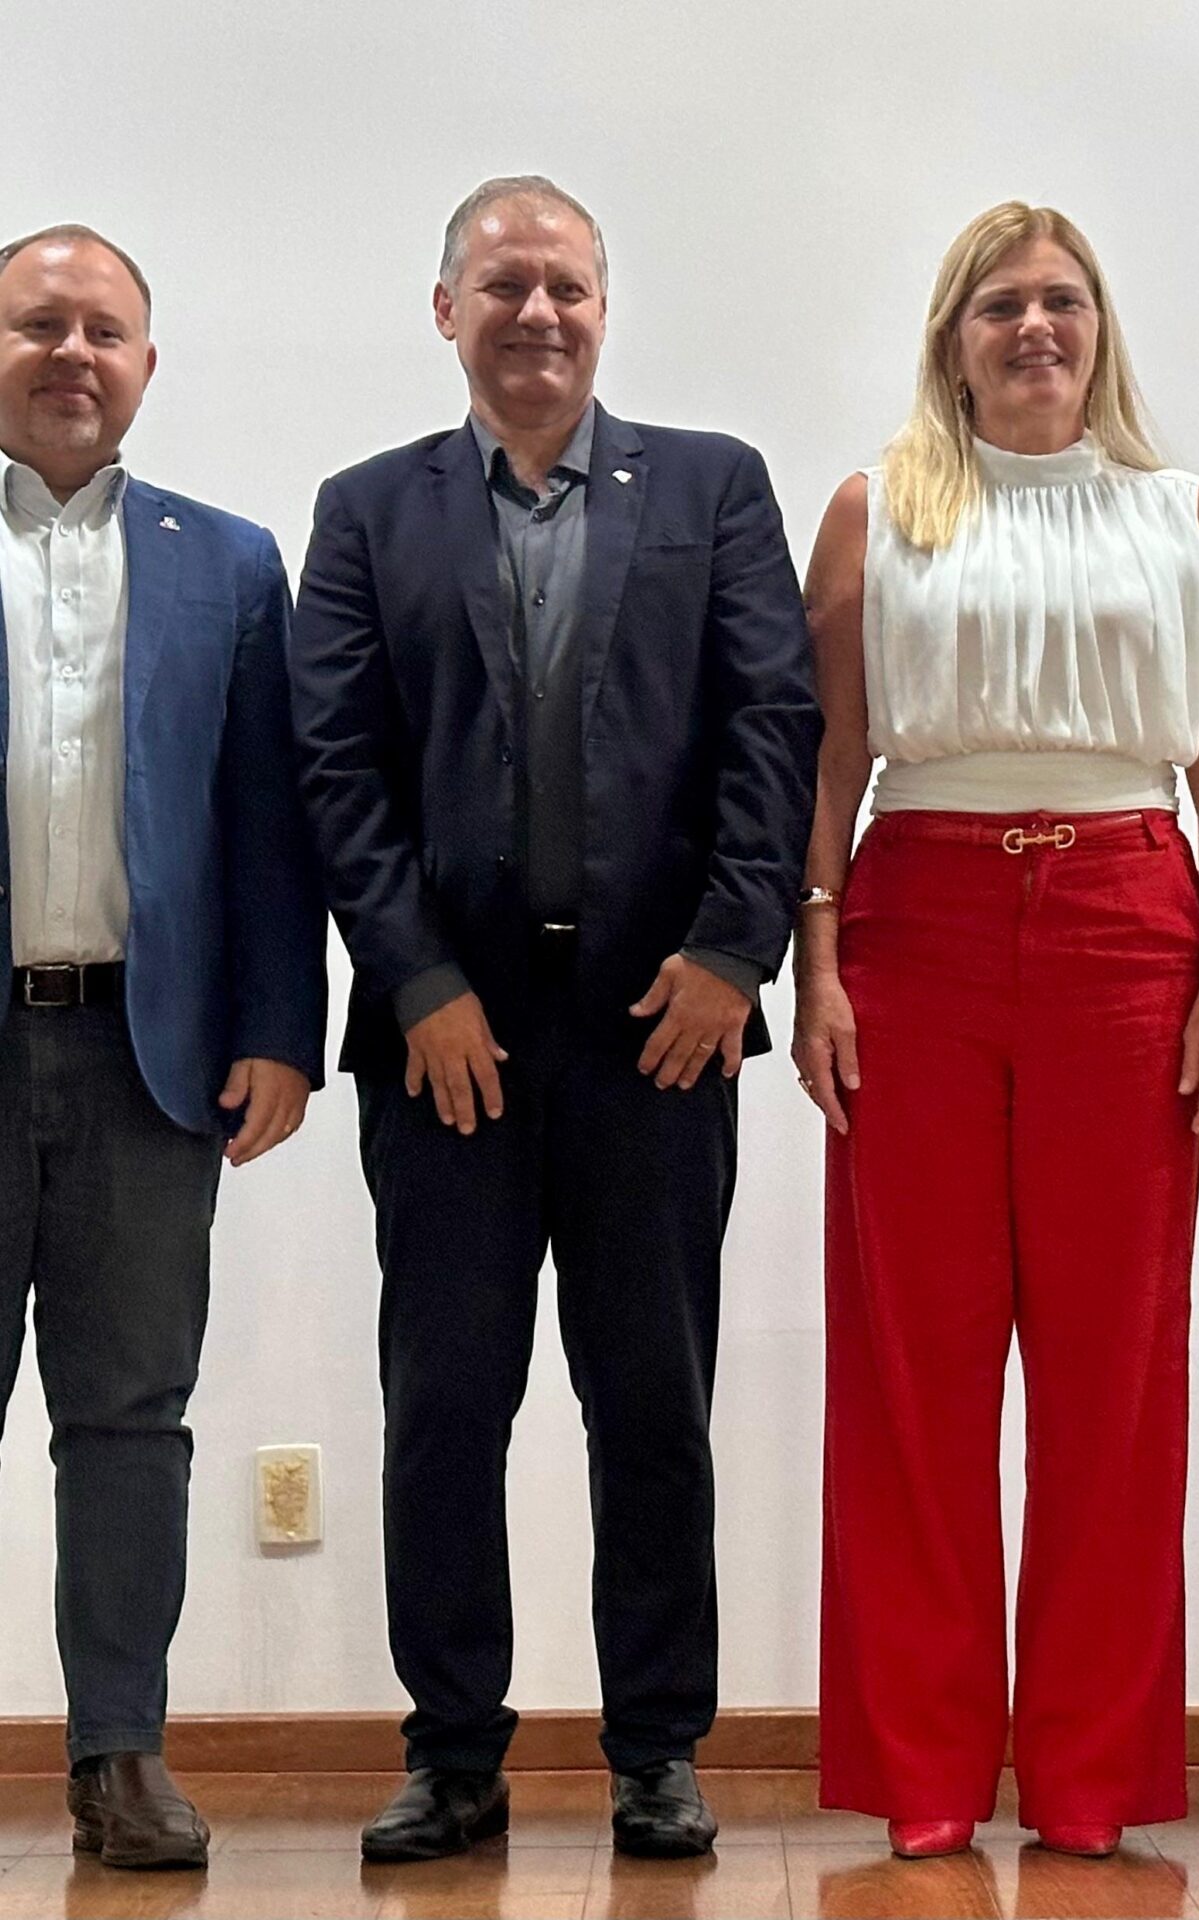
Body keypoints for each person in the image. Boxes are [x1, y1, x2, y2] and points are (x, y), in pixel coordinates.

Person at [288, 176, 819, 1863]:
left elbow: (774, 727)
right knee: (447, 1407)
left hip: (660, 1025)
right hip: (448, 1043)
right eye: (504, 284)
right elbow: (336, 768)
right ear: (445, 310)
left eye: (566, 286)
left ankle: (659, 1749)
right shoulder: (367, 512)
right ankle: (453, 1752)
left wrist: (735, 954)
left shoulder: (715, 487)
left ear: (605, 308)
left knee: (651, 1404)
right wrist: (416, 981)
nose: (538, 313)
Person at [796, 201, 1199, 1860]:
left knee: (1112, 1371)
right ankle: (923, 1772)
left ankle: (1088, 1776)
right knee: (912, 1366)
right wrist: (817, 960)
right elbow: (828, 756)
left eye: (1063, 300)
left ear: (1099, 329)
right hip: (915, 926)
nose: (1036, 327)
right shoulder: (874, 509)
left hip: (1129, 926)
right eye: (1001, 304)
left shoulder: (1177, 513)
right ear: (955, 337)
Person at [0, 225, 326, 1869]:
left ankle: (119, 1754)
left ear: (146, 363)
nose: (72, 352)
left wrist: (279, 1030)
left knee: (131, 1419)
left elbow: (270, 822)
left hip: (148, 1057)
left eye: (103, 329)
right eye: (37, 323)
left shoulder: (230, 564)